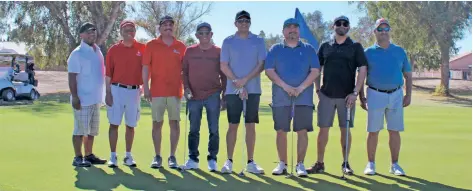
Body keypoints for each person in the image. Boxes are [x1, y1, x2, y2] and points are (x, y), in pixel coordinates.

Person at [306, 16, 368, 174]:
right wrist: (317, 89)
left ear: (348, 27)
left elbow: (362, 69)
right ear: (333, 26)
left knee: (345, 130)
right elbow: (317, 68)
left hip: (347, 97)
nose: (342, 26)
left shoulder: (355, 47)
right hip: (326, 95)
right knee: (323, 130)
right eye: (338, 23)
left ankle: (345, 164)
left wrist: (355, 93)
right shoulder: (325, 46)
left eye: (345, 24)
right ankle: (320, 163)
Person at [265, 18, 320, 177]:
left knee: (302, 131)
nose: (292, 30)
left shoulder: (308, 49)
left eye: (295, 27)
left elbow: (315, 70)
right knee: (281, 131)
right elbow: (269, 70)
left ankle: (300, 164)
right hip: (281, 98)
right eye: (288, 28)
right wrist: (286, 86)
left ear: (299, 31)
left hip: (303, 98)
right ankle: (282, 163)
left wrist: (301, 87)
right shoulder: (276, 49)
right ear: (283, 31)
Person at [360, 18, 412, 176]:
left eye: (386, 29)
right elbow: (361, 76)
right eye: (380, 29)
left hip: (396, 94)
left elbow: (408, 75)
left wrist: (408, 95)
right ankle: (371, 164)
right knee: (373, 131)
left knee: (394, 130)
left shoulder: (399, 51)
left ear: (389, 31)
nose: (383, 32)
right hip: (375, 93)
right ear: (375, 32)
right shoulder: (368, 52)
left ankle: (394, 165)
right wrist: (361, 96)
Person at [220, 10, 267, 174]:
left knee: (250, 126)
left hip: (253, 90)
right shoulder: (228, 41)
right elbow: (224, 65)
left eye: (247, 21)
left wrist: (245, 80)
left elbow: (261, 64)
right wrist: (237, 83)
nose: (244, 23)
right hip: (233, 91)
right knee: (233, 125)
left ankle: (250, 161)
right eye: (240, 21)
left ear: (250, 23)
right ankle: (229, 160)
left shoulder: (258, 41)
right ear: (235, 23)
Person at [142, 15, 187, 169]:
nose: (168, 27)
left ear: (174, 27)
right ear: (160, 27)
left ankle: (172, 156)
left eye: (170, 24)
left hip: (175, 91)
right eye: (165, 24)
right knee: (157, 124)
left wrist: (187, 88)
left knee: (174, 123)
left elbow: (185, 71)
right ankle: (157, 156)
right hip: (157, 92)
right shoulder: (151, 45)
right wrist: (146, 88)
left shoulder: (181, 46)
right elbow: (146, 67)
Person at [181, 22, 227, 172]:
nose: (204, 35)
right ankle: (193, 158)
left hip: (213, 94)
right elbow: (184, 73)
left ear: (212, 35)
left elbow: (224, 75)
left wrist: (224, 95)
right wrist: (186, 89)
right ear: (196, 35)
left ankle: (212, 159)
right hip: (193, 96)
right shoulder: (189, 51)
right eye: (201, 33)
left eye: (207, 33)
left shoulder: (218, 52)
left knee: (214, 129)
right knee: (194, 129)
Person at [105, 20, 145, 168]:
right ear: (121, 31)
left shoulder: (142, 48)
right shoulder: (113, 50)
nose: (130, 31)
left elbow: (147, 70)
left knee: (130, 125)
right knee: (114, 124)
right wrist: (108, 92)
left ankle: (128, 156)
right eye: (126, 29)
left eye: (132, 29)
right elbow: (108, 73)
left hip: (134, 91)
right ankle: (113, 156)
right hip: (116, 90)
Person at [67, 22, 107, 167]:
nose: (92, 34)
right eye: (89, 32)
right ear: (81, 35)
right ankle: (78, 157)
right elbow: (72, 78)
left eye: (94, 31)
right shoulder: (77, 54)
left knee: (91, 131)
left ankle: (89, 155)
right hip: (82, 99)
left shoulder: (97, 51)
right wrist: (75, 96)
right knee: (79, 130)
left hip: (95, 99)